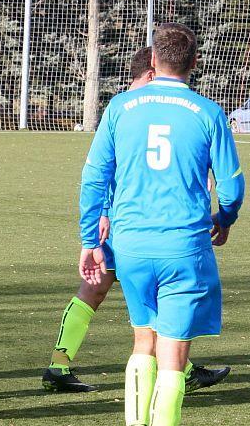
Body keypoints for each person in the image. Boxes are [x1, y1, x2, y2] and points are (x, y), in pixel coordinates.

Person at [79, 23, 245, 426]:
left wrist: (90, 238)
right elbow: (232, 187)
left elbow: (94, 179)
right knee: (173, 359)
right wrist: (224, 218)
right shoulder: (208, 112)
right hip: (183, 247)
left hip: (130, 247)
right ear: (194, 64)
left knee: (142, 343)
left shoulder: (120, 107)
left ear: (152, 62)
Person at [43, 46, 229, 395]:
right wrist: (102, 212)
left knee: (106, 291)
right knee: (131, 293)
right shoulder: (135, 109)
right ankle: (175, 371)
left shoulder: (125, 108)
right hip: (128, 221)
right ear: (151, 73)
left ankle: (60, 363)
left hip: (126, 221)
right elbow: (104, 172)